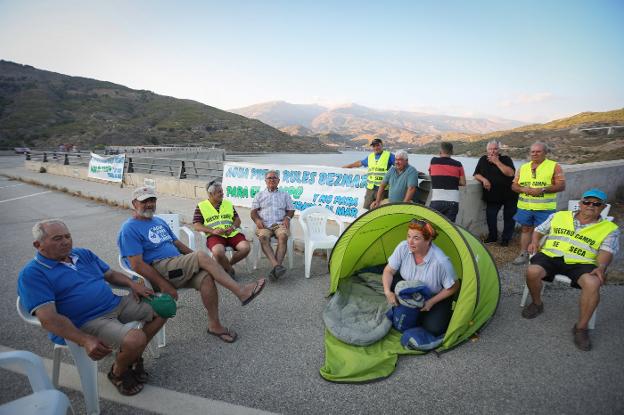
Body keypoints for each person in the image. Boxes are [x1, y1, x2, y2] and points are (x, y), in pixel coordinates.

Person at [18, 219, 166, 396]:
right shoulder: (33, 274)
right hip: (88, 320)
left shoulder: (82, 254)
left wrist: (132, 284)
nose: (66, 241)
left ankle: (131, 357)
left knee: (165, 306)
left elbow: (110, 275)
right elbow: (48, 319)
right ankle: (118, 372)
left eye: (68, 236)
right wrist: (84, 339)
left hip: (116, 303)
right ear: (38, 244)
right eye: (57, 238)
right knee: (136, 339)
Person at [118, 187, 266, 344]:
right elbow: (137, 265)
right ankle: (241, 292)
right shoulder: (129, 228)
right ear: (134, 203)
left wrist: (196, 260)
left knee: (206, 277)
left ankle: (214, 325)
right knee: (201, 255)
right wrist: (165, 286)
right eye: (144, 201)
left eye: (152, 200)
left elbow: (177, 243)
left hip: (175, 267)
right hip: (158, 271)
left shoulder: (158, 221)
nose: (149, 204)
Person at [521, 189, 619, 351]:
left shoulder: (609, 228)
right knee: (532, 271)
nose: (590, 206)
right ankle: (537, 304)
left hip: (582, 262)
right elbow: (540, 229)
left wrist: (601, 267)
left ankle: (581, 328)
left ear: (602, 207)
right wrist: (535, 241)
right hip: (551, 255)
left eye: (596, 204)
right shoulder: (559, 215)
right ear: (580, 204)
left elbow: (606, 251)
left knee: (593, 283)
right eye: (587, 202)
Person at [382, 219, 460, 335]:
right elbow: (388, 271)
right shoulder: (403, 247)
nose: (410, 242)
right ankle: (413, 311)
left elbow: (454, 286)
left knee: (434, 329)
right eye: (409, 236)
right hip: (409, 287)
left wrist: (431, 302)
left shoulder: (440, 261)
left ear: (428, 240)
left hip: (434, 295)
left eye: (416, 238)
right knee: (390, 283)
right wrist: (388, 292)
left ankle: (425, 314)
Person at [511, 141, 565, 265]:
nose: (535, 154)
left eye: (538, 151)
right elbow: (514, 186)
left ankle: (540, 258)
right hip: (525, 207)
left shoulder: (554, 166)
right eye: (532, 151)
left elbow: (561, 185)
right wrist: (522, 189)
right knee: (525, 230)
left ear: (545, 153)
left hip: (544, 208)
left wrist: (542, 189)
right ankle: (523, 254)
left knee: (542, 232)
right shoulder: (523, 167)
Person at [193, 180, 251, 278]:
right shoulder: (201, 206)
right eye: (219, 192)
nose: (222, 194)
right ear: (211, 194)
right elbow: (196, 225)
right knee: (218, 252)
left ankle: (227, 267)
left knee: (246, 248)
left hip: (231, 234)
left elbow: (237, 220)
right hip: (215, 236)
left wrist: (232, 227)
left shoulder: (227, 204)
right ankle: (229, 269)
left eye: (222, 191)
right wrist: (212, 231)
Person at [250, 170, 295, 281]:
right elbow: (253, 212)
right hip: (264, 224)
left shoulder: (285, 195)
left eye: (274, 178)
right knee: (263, 238)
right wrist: (257, 220)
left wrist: (287, 218)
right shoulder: (259, 195)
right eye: (269, 178)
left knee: (283, 236)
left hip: (278, 224)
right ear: (265, 181)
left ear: (278, 181)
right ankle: (277, 266)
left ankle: (276, 268)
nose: (272, 180)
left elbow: (291, 210)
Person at [473, 140, 518, 246]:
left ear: (499, 150)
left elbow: (511, 173)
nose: (493, 151)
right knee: (491, 217)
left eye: (495, 149)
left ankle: (506, 239)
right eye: (490, 149)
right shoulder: (483, 160)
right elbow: (476, 174)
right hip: (492, 196)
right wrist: (484, 180)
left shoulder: (506, 159)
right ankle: (493, 237)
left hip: (509, 195)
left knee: (509, 218)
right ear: (487, 150)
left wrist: (497, 162)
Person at [342, 138, 395, 209]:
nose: (376, 148)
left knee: (380, 209)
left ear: (382, 145)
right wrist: (347, 167)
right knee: (366, 208)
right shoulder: (370, 157)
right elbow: (359, 163)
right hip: (370, 189)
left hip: (383, 189)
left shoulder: (389, 156)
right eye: (374, 146)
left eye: (378, 145)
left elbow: (399, 166)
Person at [428, 142, 466, 222]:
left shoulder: (433, 161)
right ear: (452, 151)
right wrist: (452, 181)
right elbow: (463, 182)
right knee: (449, 228)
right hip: (453, 201)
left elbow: (432, 175)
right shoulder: (458, 164)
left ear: (440, 151)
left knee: (433, 226)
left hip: (437, 201)